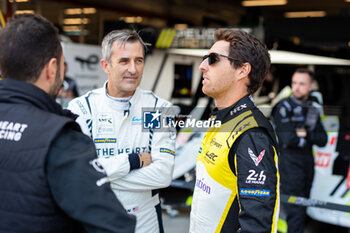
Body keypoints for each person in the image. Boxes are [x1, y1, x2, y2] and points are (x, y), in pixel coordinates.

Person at [0, 14, 136, 233]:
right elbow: (116, 227)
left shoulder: (157, 105)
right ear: (52, 69)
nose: (133, 68)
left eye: (138, 60)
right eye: (63, 65)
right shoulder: (62, 138)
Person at [68, 30, 175, 233]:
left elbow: (163, 175)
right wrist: (133, 161)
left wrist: (101, 175)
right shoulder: (81, 108)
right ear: (106, 65)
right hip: (96, 220)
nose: (133, 69)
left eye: (139, 60)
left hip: (145, 223)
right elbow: (79, 173)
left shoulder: (159, 109)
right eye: (124, 61)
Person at [189, 29, 280, 232]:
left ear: (242, 71)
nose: (203, 66)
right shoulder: (222, 119)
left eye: (212, 59)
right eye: (205, 58)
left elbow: (257, 226)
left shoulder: (252, 135)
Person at [271, 68, 327, 233]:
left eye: (302, 84)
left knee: (302, 208)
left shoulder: (313, 107)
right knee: (295, 210)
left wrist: (305, 133)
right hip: (289, 163)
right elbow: (288, 139)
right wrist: (307, 135)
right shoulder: (283, 106)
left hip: (308, 162)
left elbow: (322, 139)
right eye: (294, 83)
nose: (296, 87)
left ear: (311, 86)